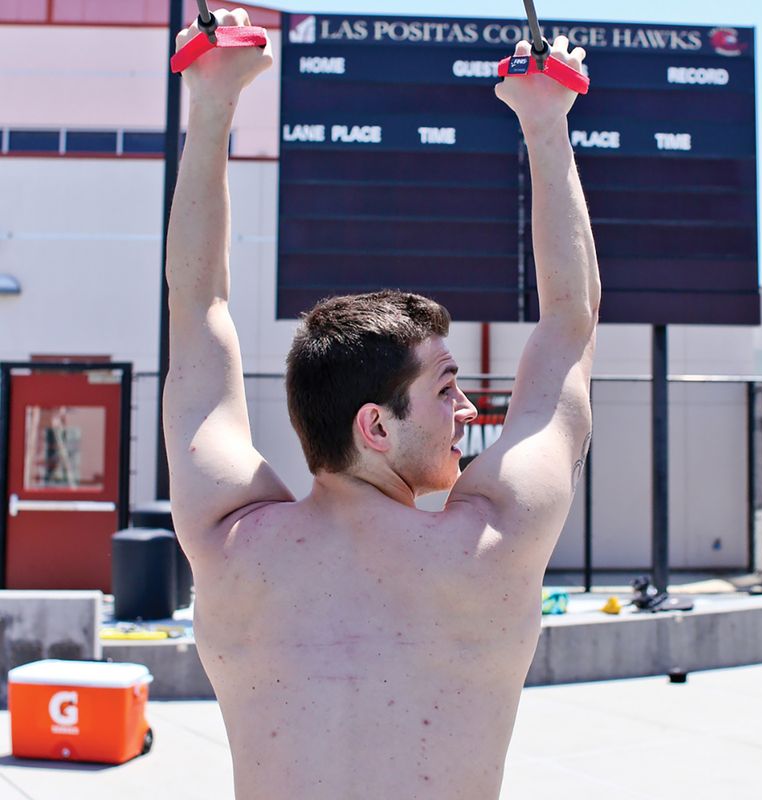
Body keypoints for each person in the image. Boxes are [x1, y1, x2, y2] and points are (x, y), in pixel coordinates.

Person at [165, 9, 599, 800]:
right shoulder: (490, 545)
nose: (466, 409)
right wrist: (546, 121)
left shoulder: (228, 543)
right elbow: (570, 326)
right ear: (375, 425)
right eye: (444, 388)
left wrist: (212, 100)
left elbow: (197, 308)